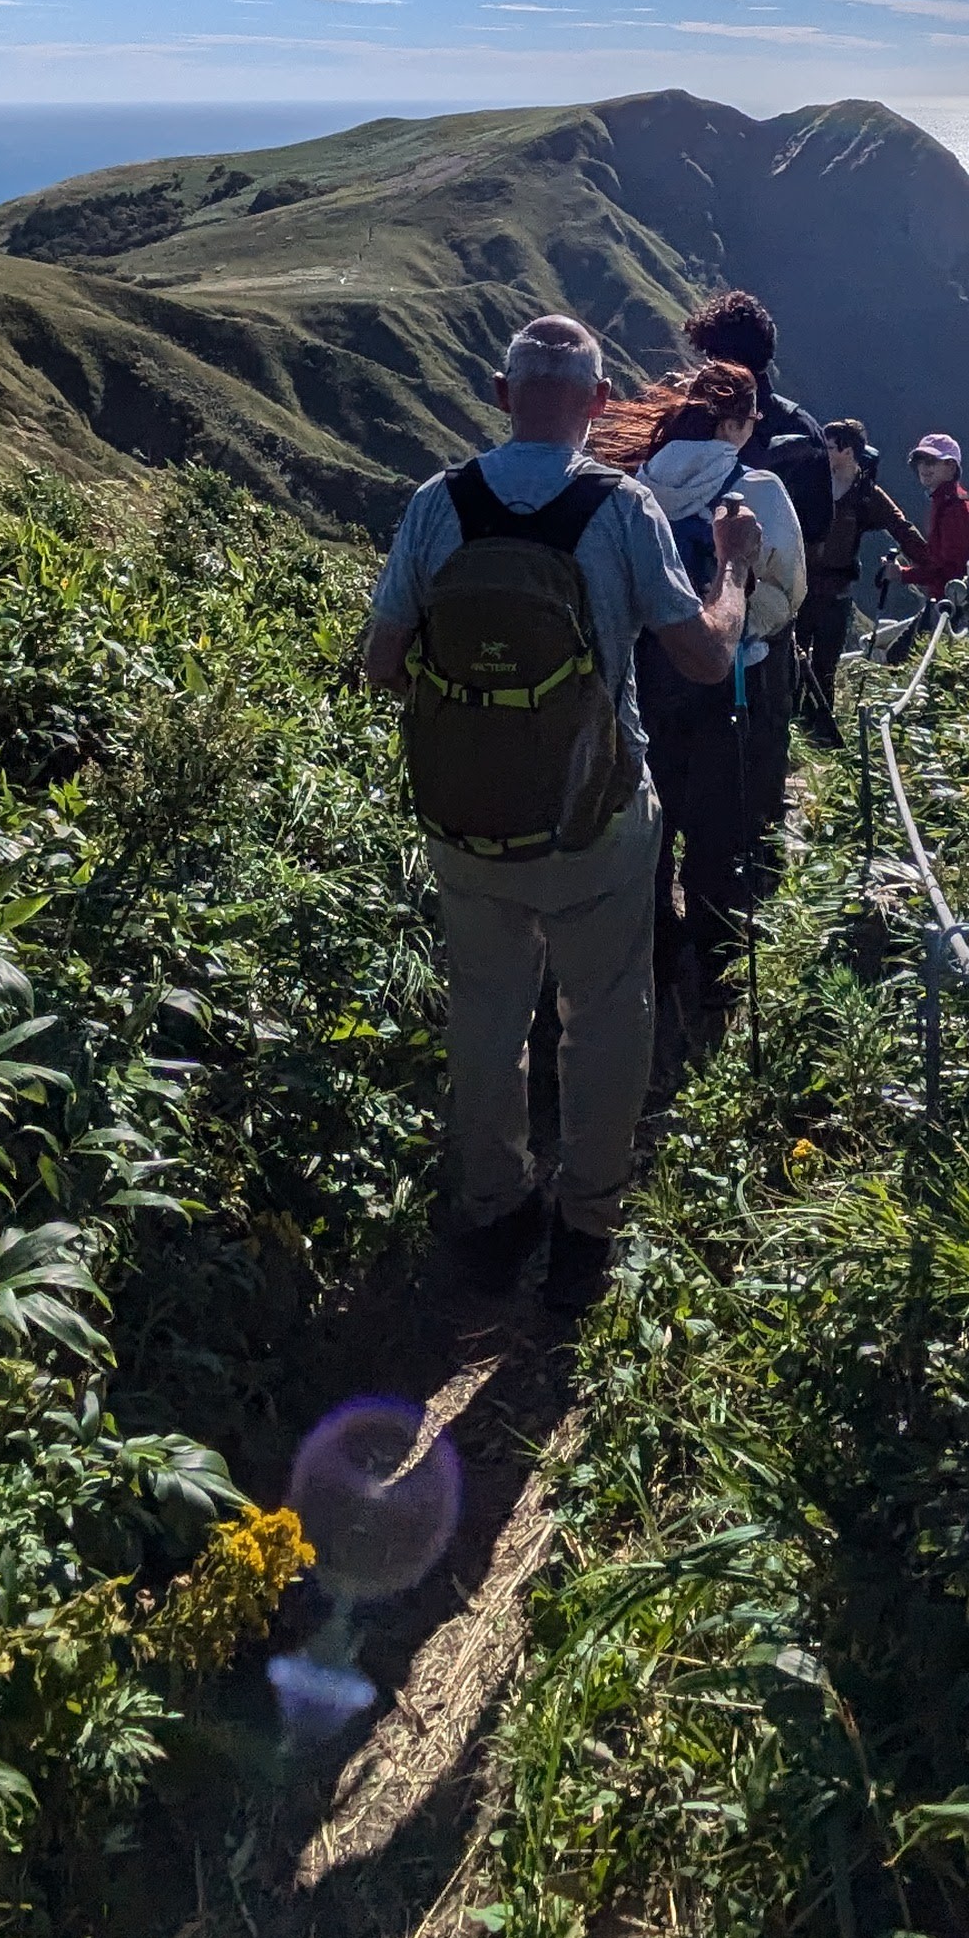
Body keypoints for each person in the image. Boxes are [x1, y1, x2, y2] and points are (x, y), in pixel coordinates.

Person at [360, 314, 756, 1316]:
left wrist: (480, 706)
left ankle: (494, 1207)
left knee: (488, 1008)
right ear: (598, 400)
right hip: (598, 818)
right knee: (605, 1010)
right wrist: (735, 572)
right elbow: (703, 658)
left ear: (501, 394)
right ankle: (588, 1221)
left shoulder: (434, 505)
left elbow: (379, 663)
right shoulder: (621, 507)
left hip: (465, 819)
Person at [588, 360, 805, 1054]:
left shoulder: (633, 489)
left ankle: (652, 957)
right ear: (735, 423)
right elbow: (785, 596)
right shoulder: (757, 490)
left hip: (649, 679)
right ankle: (714, 977)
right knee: (725, 830)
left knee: (654, 825)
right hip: (736, 683)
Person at [681, 288, 840, 760]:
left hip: (685, 627)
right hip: (768, 631)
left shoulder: (685, 426)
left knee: (679, 761)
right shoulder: (804, 431)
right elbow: (816, 529)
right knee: (755, 759)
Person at [807, 420, 914, 696]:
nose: (823, 452)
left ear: (849, 452)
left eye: (829, 447)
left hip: (836, 594)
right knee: (792, 665)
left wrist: (930, 565)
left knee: (824, 669)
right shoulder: (812, 482)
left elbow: (901, 527)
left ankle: (818, 732)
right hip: (802, 589)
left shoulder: (866, 495)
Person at [893, 430, 969, 611]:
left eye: (931, 461)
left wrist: (903, 575)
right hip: (950, 605)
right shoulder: (946, 504)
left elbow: (950, 571)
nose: (923, 468)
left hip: (955, 609)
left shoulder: (956, 511)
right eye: (919, 461)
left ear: (952, 467)